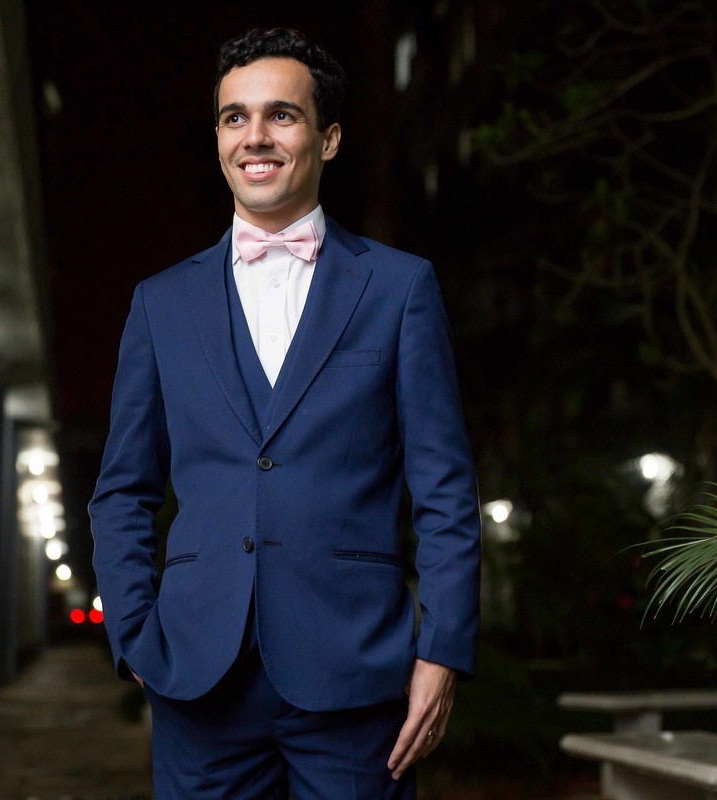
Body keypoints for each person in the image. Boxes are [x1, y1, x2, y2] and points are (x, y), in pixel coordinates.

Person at [89, 26, 481, 799]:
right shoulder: (161, 302)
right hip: (197, 677)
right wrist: (134, 636)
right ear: (218, 139)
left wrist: (442, 651)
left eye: (282, 115)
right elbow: (123, 490)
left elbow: (444, 489)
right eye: (234, 117)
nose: (255, 136)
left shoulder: (400, 289)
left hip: (354, 674)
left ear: (328, 139)